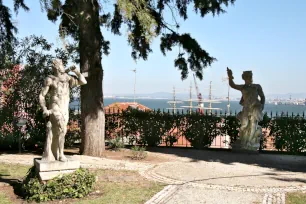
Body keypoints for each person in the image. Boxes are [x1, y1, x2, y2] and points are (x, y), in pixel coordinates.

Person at [39, 59, 87, 161]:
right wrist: (44, 108)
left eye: (62, 64)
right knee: (62, 129)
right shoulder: (50, 79)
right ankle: (61, 154)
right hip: (55, 107)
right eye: (60, 64)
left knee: (60, 132)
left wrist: (76, 72)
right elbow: (42, 96)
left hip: (64, 108)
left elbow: (83, 81)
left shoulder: (67, 78)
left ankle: (54, 153)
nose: (62, 66)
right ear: (56, 67)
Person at [227, 67, 265, 150]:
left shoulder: (257, 86)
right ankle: (243, 139)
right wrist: (230, 76)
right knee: (244, 125)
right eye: (248, 77)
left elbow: (262, 96)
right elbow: (232, 85)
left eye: (250, 77)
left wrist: (262, 105)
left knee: (253, 124)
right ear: (244, 78)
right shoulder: (243, 87)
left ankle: (249, 142)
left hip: (255, 107)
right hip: (247, 108)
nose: (250, 79)